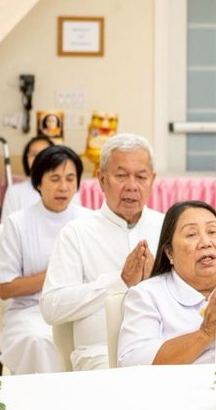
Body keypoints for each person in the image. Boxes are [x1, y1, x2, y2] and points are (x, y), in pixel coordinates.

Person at [41, 133, 165, 370]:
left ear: (153, 180)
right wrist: (118, 282)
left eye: (141, 177)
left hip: (160, 349)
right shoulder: (76, 233)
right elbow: (51, 307)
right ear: (101, 179)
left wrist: (157, 281)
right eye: (121, 175)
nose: (131, 186)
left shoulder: (169, 227)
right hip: (100, 355)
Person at [0, 145, 89, 374]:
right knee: (39, 340)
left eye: (70, 178)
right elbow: (6, 288)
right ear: (38, 182)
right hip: (29, 311)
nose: (63, 187)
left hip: (78, 310)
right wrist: (54, 274)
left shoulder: (88, 221)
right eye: (54, 178)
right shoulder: (18, 223)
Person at [117, 200, 216, 367]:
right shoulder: (147, 295)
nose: (206, 242)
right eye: (191, 234)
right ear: (169, 252)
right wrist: (204, 334)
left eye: (212, 231)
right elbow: (131, 362)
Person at [0, 134, 55, 218]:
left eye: (44, 154)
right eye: (34, 154)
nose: (39, 158)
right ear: (27, 158)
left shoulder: (66, 189)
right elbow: (6, 227)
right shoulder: (14, 192)